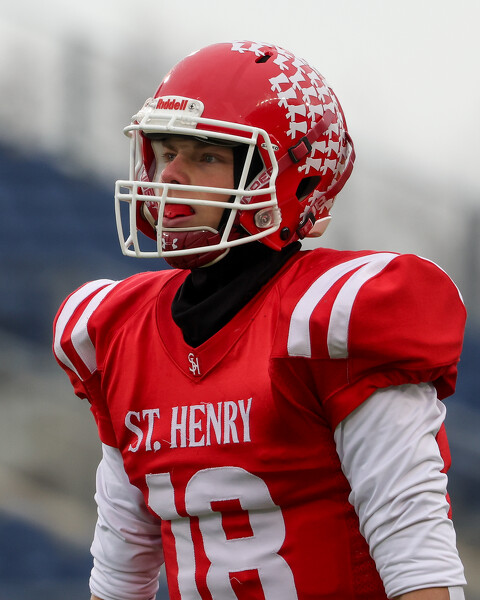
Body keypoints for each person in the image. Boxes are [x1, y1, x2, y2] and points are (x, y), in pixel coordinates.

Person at [53, 40, 467, 600]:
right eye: (167, 151)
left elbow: (419, 562)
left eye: (205, 156)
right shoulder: (118, 330)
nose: (170, 175)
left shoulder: (331, 320)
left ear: (288, 180)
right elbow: (118, 578)